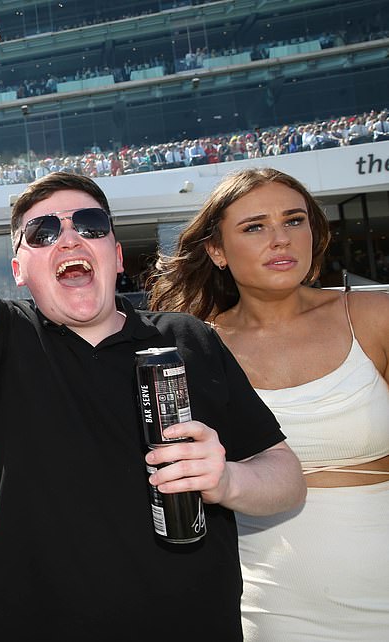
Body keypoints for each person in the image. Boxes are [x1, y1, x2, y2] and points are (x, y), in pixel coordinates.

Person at [0, 17, 305, 641]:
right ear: (19, 270)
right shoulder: (5, 341)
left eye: (89, 223)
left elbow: (285, 476)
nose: (69, 237)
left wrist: (228, 480)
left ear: (115, 252)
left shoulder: (190, 338)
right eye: (43, 232)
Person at [147, 167, 389, 640]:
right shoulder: (194, 349)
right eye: (254, 226)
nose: (280, 239)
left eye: (294, 221)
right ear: (216, 250)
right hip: (268, 599)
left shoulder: (373, 315)